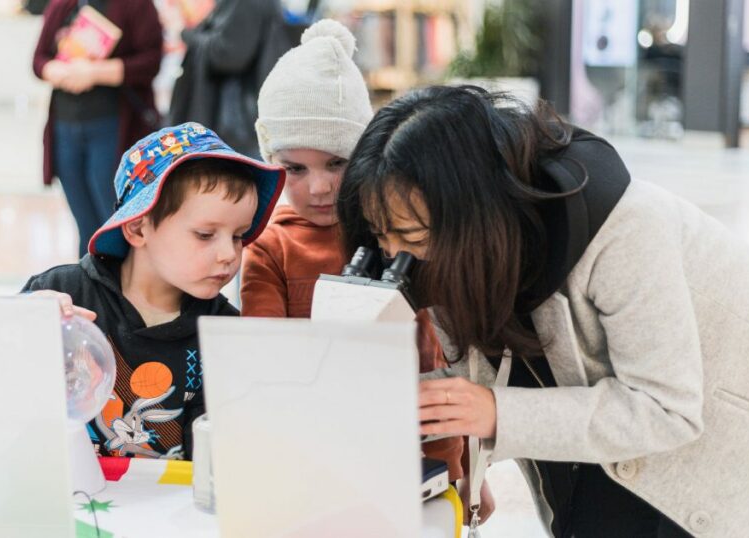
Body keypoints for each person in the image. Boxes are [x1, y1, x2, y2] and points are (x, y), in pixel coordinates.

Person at [337, 85, 749, 536]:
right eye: (382, 236)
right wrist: (397, 400)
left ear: (472, 212)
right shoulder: (446, 255)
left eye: (413, 236)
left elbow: (666, 409)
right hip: (614, 469)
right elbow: (488, 385)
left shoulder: (625, 231)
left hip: (732, 472)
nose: (399, 254)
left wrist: (495, 411)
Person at [240, 19, 474, 514]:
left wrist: (459, 472)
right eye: (294, 169)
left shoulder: (404, 235)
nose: (319, 187)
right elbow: (266, 372)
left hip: (416, 466)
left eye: (337, 162)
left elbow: (438, 368)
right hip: (314, 464)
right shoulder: (269, 248)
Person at [23, 123, 284, 459]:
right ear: (137, 228)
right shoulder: (62, 294)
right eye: (205, 234)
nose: (229, 254)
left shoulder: (224, 333)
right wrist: (25, 325)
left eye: (238, 235)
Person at [33, 0, 164, 257]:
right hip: (66, 127)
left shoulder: (136, 6)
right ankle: (89, 286)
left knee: (116, 221)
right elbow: (38, 60)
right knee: (85, 225)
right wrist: (56, 70)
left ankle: (119, 292)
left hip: (113, 128)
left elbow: (151, 61)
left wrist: (95, 73)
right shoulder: (63, 5)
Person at [168, 0, 292, 158]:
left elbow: (228, 54)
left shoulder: (246, 4)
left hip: (238, 125)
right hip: (247, 124)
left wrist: (188, 35)